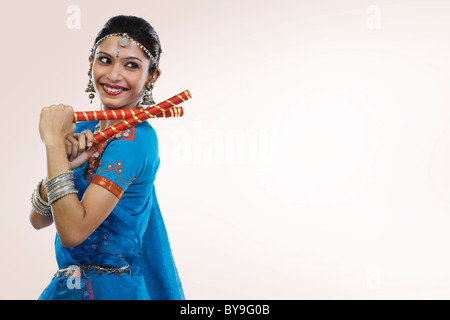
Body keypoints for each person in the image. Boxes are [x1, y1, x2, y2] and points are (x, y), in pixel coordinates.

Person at [29, 15, 185, 300]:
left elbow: (73, 232)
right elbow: (38, 220)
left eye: (131, 65)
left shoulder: (135, 141)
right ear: (90, 62)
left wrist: (53, 145)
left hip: (111, 292)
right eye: (105, 60)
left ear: (152, 76)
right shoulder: (85, 130)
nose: (114, 75)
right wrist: (62, 163)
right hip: (65, 290)